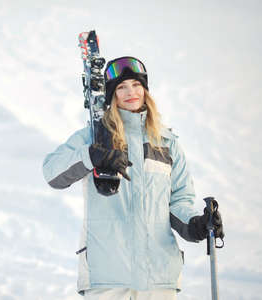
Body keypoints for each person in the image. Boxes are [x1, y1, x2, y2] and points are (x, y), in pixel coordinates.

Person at [42, 56, 224, 299]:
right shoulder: (93, 137)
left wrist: (195, 225)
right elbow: (52, 171)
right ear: (111, 95)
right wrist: (91, 156)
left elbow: (179, 201)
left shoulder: (166, 143)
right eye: (121, 87)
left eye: (137, 85)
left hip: (158, 277)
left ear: (146, 90)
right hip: (107, 276)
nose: (131, 92)